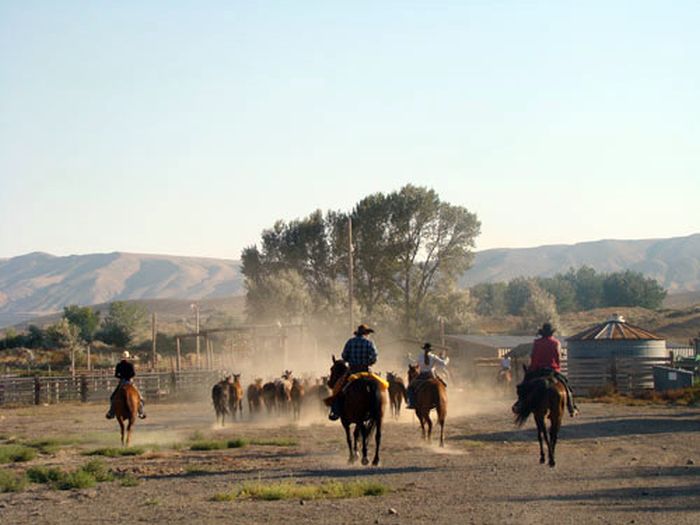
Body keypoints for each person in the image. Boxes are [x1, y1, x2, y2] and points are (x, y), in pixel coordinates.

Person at [516, 323, 578, 417]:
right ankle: (571, 407)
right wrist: (557, 369)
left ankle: (520, 404)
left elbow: (534, 357)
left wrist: (532, 368)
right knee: (566, 385)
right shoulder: (556, 342)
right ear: (551, 333)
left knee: (524, 386)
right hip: (552, 370)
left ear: (542, 333)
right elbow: (557, 358)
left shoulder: (537, 343)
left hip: (538, 370)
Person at [328, 324, 378, 421]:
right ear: (366, 334)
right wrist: (369, 362)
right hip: (366, 371)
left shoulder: (350, 342)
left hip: (352, 371)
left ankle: (335, 411)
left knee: (338, 389)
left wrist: (350, 359)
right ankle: (377, 409)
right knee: (378, 388)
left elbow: (344, 356)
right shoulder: (369, 343)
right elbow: (375, 357)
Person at [406, 342, 449, 409]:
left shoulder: (420, 356)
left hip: (422, 375)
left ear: (424, 349)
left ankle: (412, 403)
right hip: (432, 375)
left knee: (410, 387)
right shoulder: (433, 356)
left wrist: (410, 359)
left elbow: (415, 363)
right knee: (444, 385)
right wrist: (447, 359)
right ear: (430, 350)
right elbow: (443, 363)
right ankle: (443, 400)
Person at [105, 351, 146, 419]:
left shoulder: (119, 365)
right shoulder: (130, 365)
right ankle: (141, 412)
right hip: (129, 382)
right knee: (140, 398)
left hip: (122, 382)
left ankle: (111, 413)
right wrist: (128, 377)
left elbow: (116, 375)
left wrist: (121, 377)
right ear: (128, 357)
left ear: (122, 357)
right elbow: (133, 374)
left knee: (112, 397)